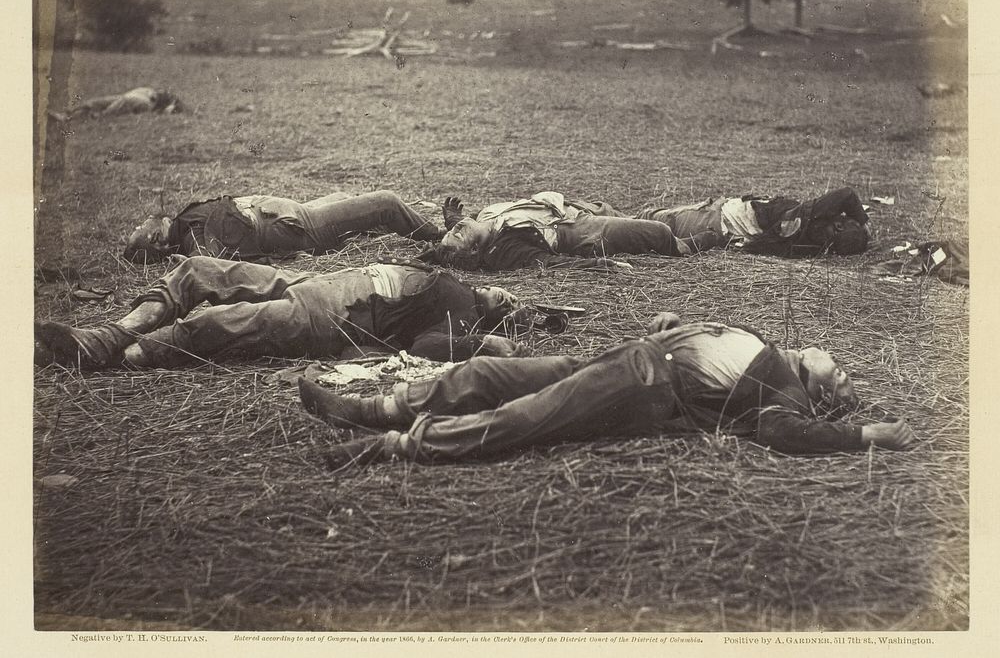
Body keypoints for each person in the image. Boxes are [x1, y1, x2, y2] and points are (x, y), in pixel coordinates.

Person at [300, 311, 916, 467]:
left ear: (822, 390)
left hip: (645, 384)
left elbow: (786, 434)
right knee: (488, 373)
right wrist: (680, 322)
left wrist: (867, 432)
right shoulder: (768, 346)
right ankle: (370, 408)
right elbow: (712, 343)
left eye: (844, 378)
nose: (843, 367)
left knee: (529, 415)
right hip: (632, 355)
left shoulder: (788, 393)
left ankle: (396, 445)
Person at [34, 257, 524, 371]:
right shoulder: (454, 281)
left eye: (510, 307)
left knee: (219, 325)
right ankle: (115, 329)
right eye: (511, 295)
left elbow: (426, 349)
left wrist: (485, 343)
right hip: (320, 285)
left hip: (328, 316)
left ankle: (111, 353)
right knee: (200, 269)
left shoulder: (465, 316)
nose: (508, 298)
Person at [419, 192, 718, 271]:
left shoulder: (483, 216)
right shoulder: (504, 250)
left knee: (642, 214)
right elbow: (552, 263)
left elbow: (460, 228)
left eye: (454, 228)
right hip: (579, 229)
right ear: (474, 250)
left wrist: (453, 221)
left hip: (571, 207)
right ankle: (688, 245)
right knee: (657, 231)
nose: (457, 228)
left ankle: (698, 217)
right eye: (458, 235)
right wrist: (601, 265)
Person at [124, 190, 444, 263]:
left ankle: (392, 228)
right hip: (295, 225)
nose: (143, 220)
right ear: (156, 238)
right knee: (386, 202)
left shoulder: (185, 224)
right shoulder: (191, 236)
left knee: (346, 198)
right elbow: (208, 264)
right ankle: (442, 238)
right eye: (140, 227)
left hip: (291, 214)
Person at [635, 186, 871, 257]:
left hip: (711, 220)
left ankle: (603, 215)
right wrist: (863, 225)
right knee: (649, 220)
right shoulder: (807, 228)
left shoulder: (805, 221)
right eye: (832, 241)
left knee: (648, 221)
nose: (826, 244)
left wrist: (861, 224)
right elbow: (847, 195)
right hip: (716, 217)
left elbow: (847, 195)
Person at [50, 86, 185, 121]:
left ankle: (69, 117)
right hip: (129, 97)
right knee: (94, 103)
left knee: (101, 110)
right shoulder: (150, 92)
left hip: (133, 100)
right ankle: (68, 115)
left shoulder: (150, 102)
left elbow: (164, 107)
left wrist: (169, 105)